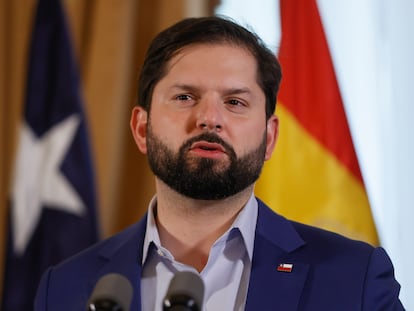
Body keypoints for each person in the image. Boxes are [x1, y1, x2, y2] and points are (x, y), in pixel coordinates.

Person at [34, 16, 404, 310]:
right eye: (184, 97)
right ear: (142, 128)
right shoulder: (65, 289)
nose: (209, 118)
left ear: (269, 137)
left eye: (235, 102)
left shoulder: (354, 278)